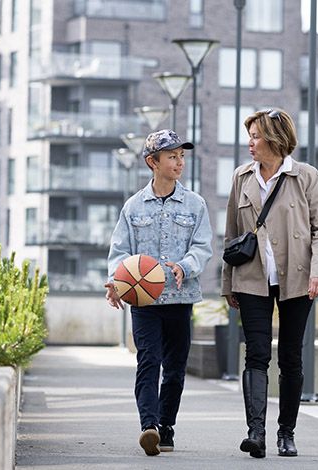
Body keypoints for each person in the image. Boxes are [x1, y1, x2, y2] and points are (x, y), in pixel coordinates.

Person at [221, 108, 318, 458]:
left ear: (274, 139)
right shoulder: (242, 176)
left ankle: (287, 432)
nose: (250, 143)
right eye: (250, 136)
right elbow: (231, 234)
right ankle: (256, 432)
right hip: (251, 279)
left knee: (290, 356)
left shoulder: (305, 176)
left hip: (299, 279)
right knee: (255, 354)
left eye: (256, 136)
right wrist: (228, 282)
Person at [104, 129, 213, 457]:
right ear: (153, 162)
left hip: (180, 299)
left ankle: (166, 426)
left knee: (176, 368)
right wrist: (115, 282)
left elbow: (203, 246)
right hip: (145, 301)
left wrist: (186, 265)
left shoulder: (195, 204)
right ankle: (148, 426)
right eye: (171, 156)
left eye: (181, 156)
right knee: (148, 360)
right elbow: (120, 251)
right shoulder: (133, 206)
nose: (179, 162)